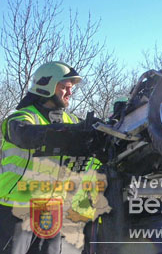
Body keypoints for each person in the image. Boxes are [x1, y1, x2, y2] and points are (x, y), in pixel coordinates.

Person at [1, 61, 100, 254]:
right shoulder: (20, 118)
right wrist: (74, 133)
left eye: (71, 89)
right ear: (46, 86)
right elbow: (26, 135)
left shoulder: (70, 121)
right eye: (65, 87)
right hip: (16, 208)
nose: (70, 93)